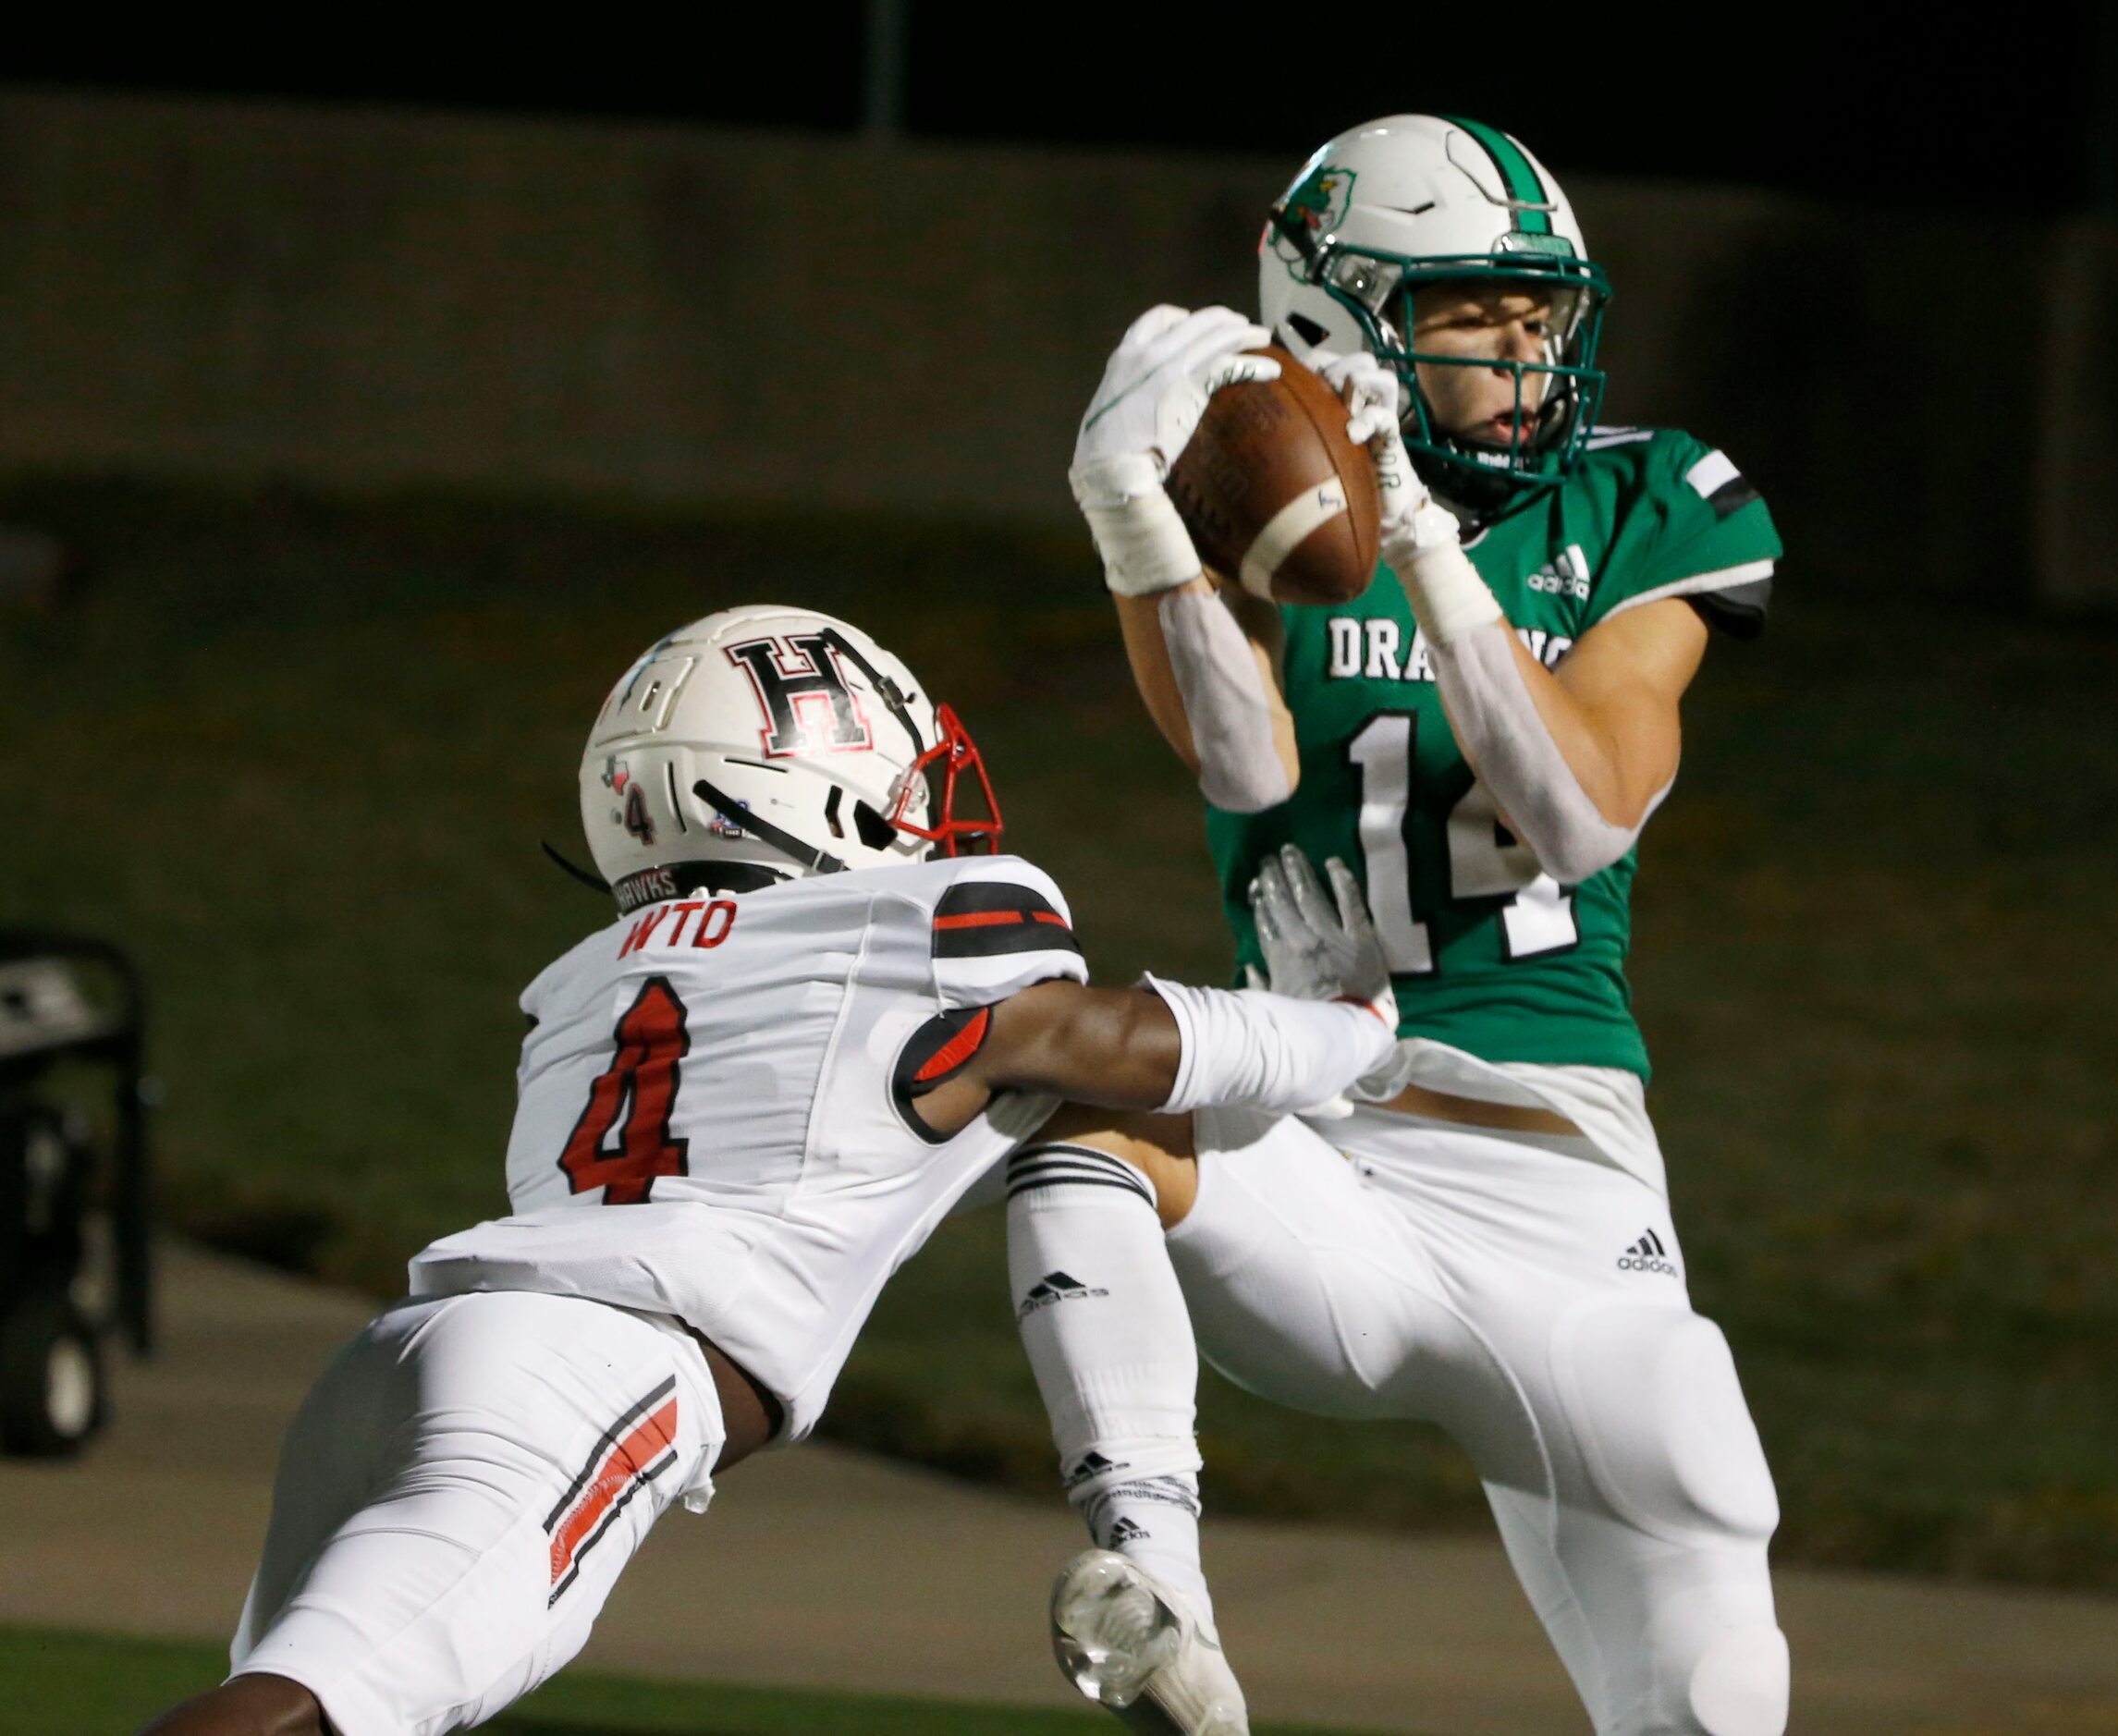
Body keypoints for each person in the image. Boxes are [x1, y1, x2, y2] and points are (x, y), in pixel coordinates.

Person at [140, 603, 1401, 1736]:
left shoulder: (585, 986)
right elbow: (1095, 1044)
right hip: (583, 1379)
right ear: (819, 788)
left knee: (318, 1702)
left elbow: (875, 1113)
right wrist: (1347, 1028)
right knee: (304, 1712)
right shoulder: (912, 930)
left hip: (400, 1354)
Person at [1013, 116, 1791, 1735]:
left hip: (1559, 1166)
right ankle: (1159, 1603)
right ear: (1339, 321)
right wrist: (1130, 515)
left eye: (1538, 316)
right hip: (1326, 1136)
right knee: (1089, 1123)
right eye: (1472, 316)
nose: (1524, 355)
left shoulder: (1652, 500)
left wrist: (1424, 538)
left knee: (1709, 1659)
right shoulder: (1241, 496)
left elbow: (1582, 813)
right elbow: (1239, 760)